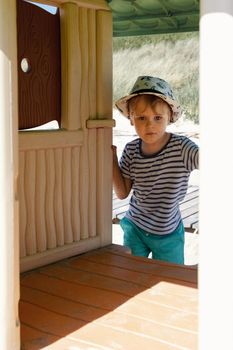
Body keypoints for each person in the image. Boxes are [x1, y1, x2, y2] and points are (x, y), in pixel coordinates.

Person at [112, 76, 199, 264]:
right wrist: (111, 159)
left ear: (169, 118)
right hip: (135, 226)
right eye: (141, 118)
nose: (149, 125)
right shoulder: (131, 150)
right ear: (131, 119)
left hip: (168, 232)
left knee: (171, 278)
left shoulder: (182, 148)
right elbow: (122, 193)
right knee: (132, 274)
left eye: (157, 118)